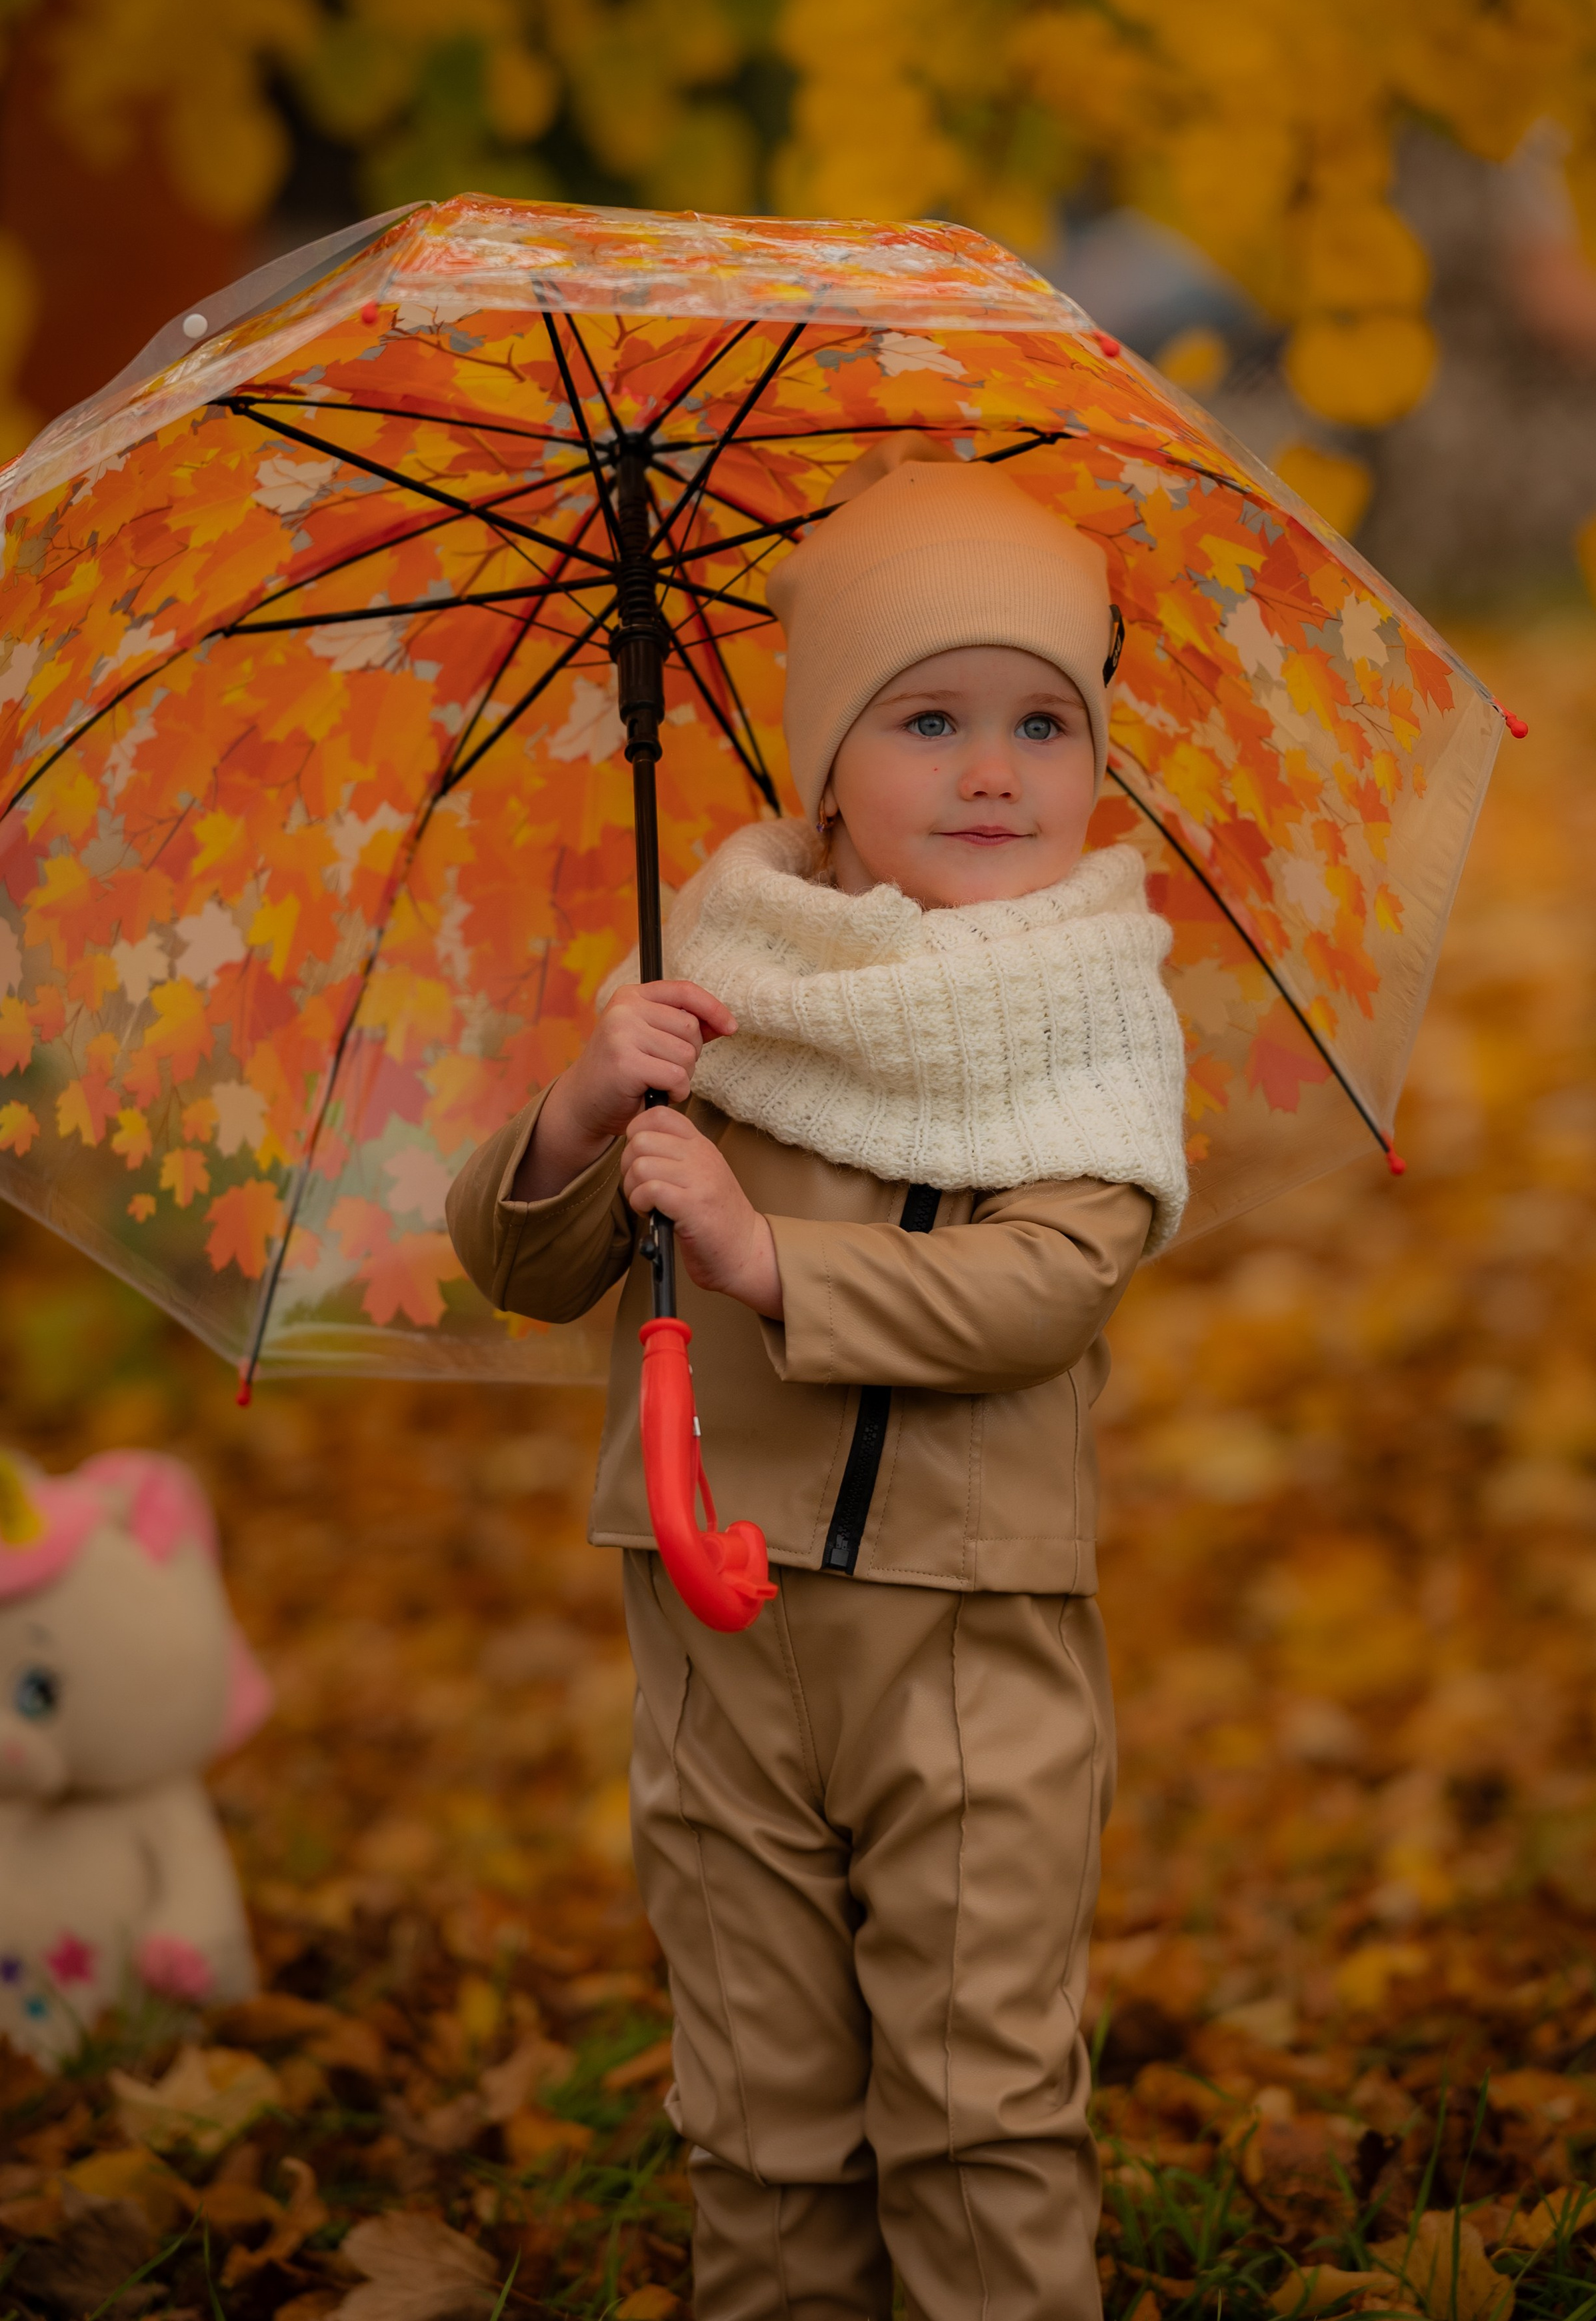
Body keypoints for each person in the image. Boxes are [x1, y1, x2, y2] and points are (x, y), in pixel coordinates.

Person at [446, 435, 1188, 2321]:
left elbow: (1047, 1283)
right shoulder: (713, 986)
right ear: (821, 764)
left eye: (1045, 721)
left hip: (966, 1623)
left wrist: (774, 1260)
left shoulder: (1094, 1007)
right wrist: (582, 1108)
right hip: (714, 1608)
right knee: (760, 2095)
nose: (997, 771)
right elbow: (529, 1267)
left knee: (975, 2088)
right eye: (927, 718)